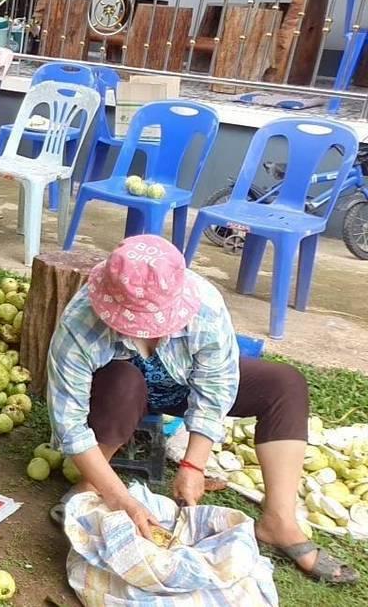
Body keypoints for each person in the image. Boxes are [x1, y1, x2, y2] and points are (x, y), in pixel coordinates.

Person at [47, 235, 357, 584]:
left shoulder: (204, 305)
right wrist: (121, 498)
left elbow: (215, 388)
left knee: (285, 385)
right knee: (123, 382)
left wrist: (193, 465)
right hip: (120, 393)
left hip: (183, 387)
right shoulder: (81, 321)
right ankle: (92, 484)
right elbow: (70, 423)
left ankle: (278, 521)